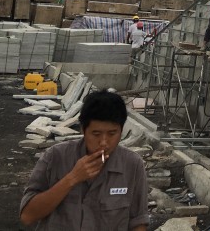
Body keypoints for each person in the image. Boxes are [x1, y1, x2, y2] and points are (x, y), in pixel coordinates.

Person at [20, 89, 149, 230]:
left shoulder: (132, 165)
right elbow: (27, 216)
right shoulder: (55, 157)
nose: (104, 142)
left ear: (121, 130)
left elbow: (138, 222)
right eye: (96, 134)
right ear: (83, 130)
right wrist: (72, 178)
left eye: (112, 134)